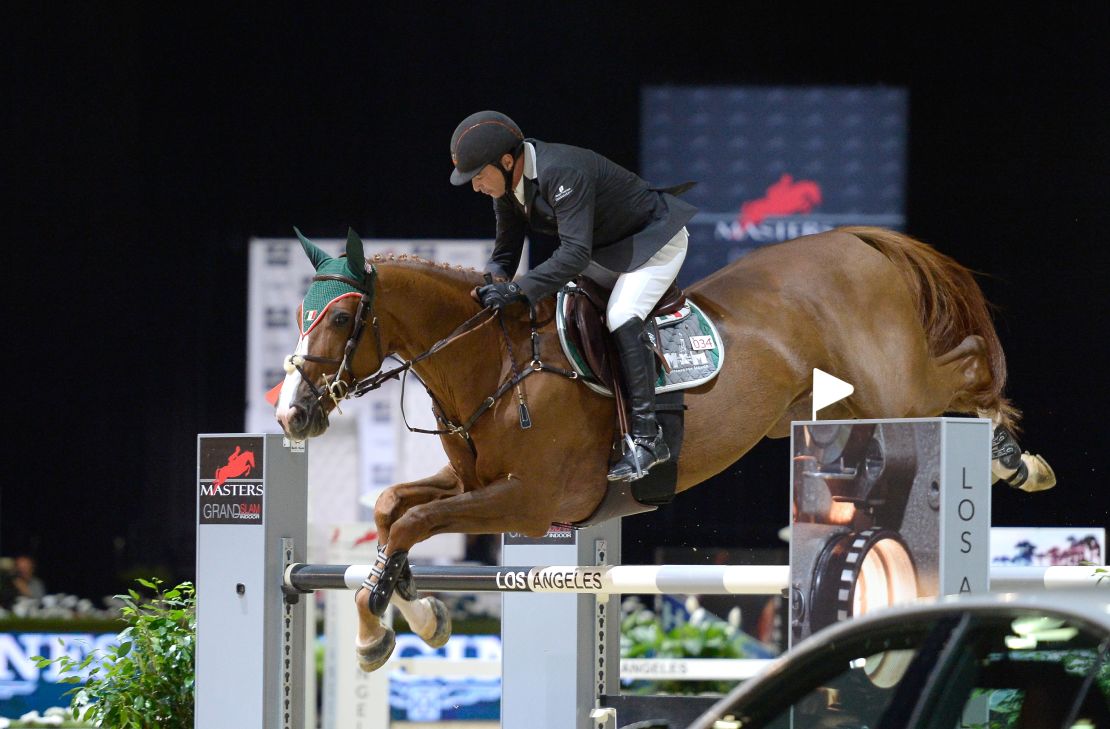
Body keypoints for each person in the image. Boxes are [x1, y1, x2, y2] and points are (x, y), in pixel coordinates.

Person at [450, 110, 697, 481]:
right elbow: (504, 255)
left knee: (622, 315)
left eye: (478, 176)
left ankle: (649, 439)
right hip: (608, 250)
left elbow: (574, 254)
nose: (475, 186)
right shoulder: (508, 186)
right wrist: (490, 285)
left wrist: (518, 290)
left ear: (505, 162)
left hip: (652, 242)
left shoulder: (562, 171)